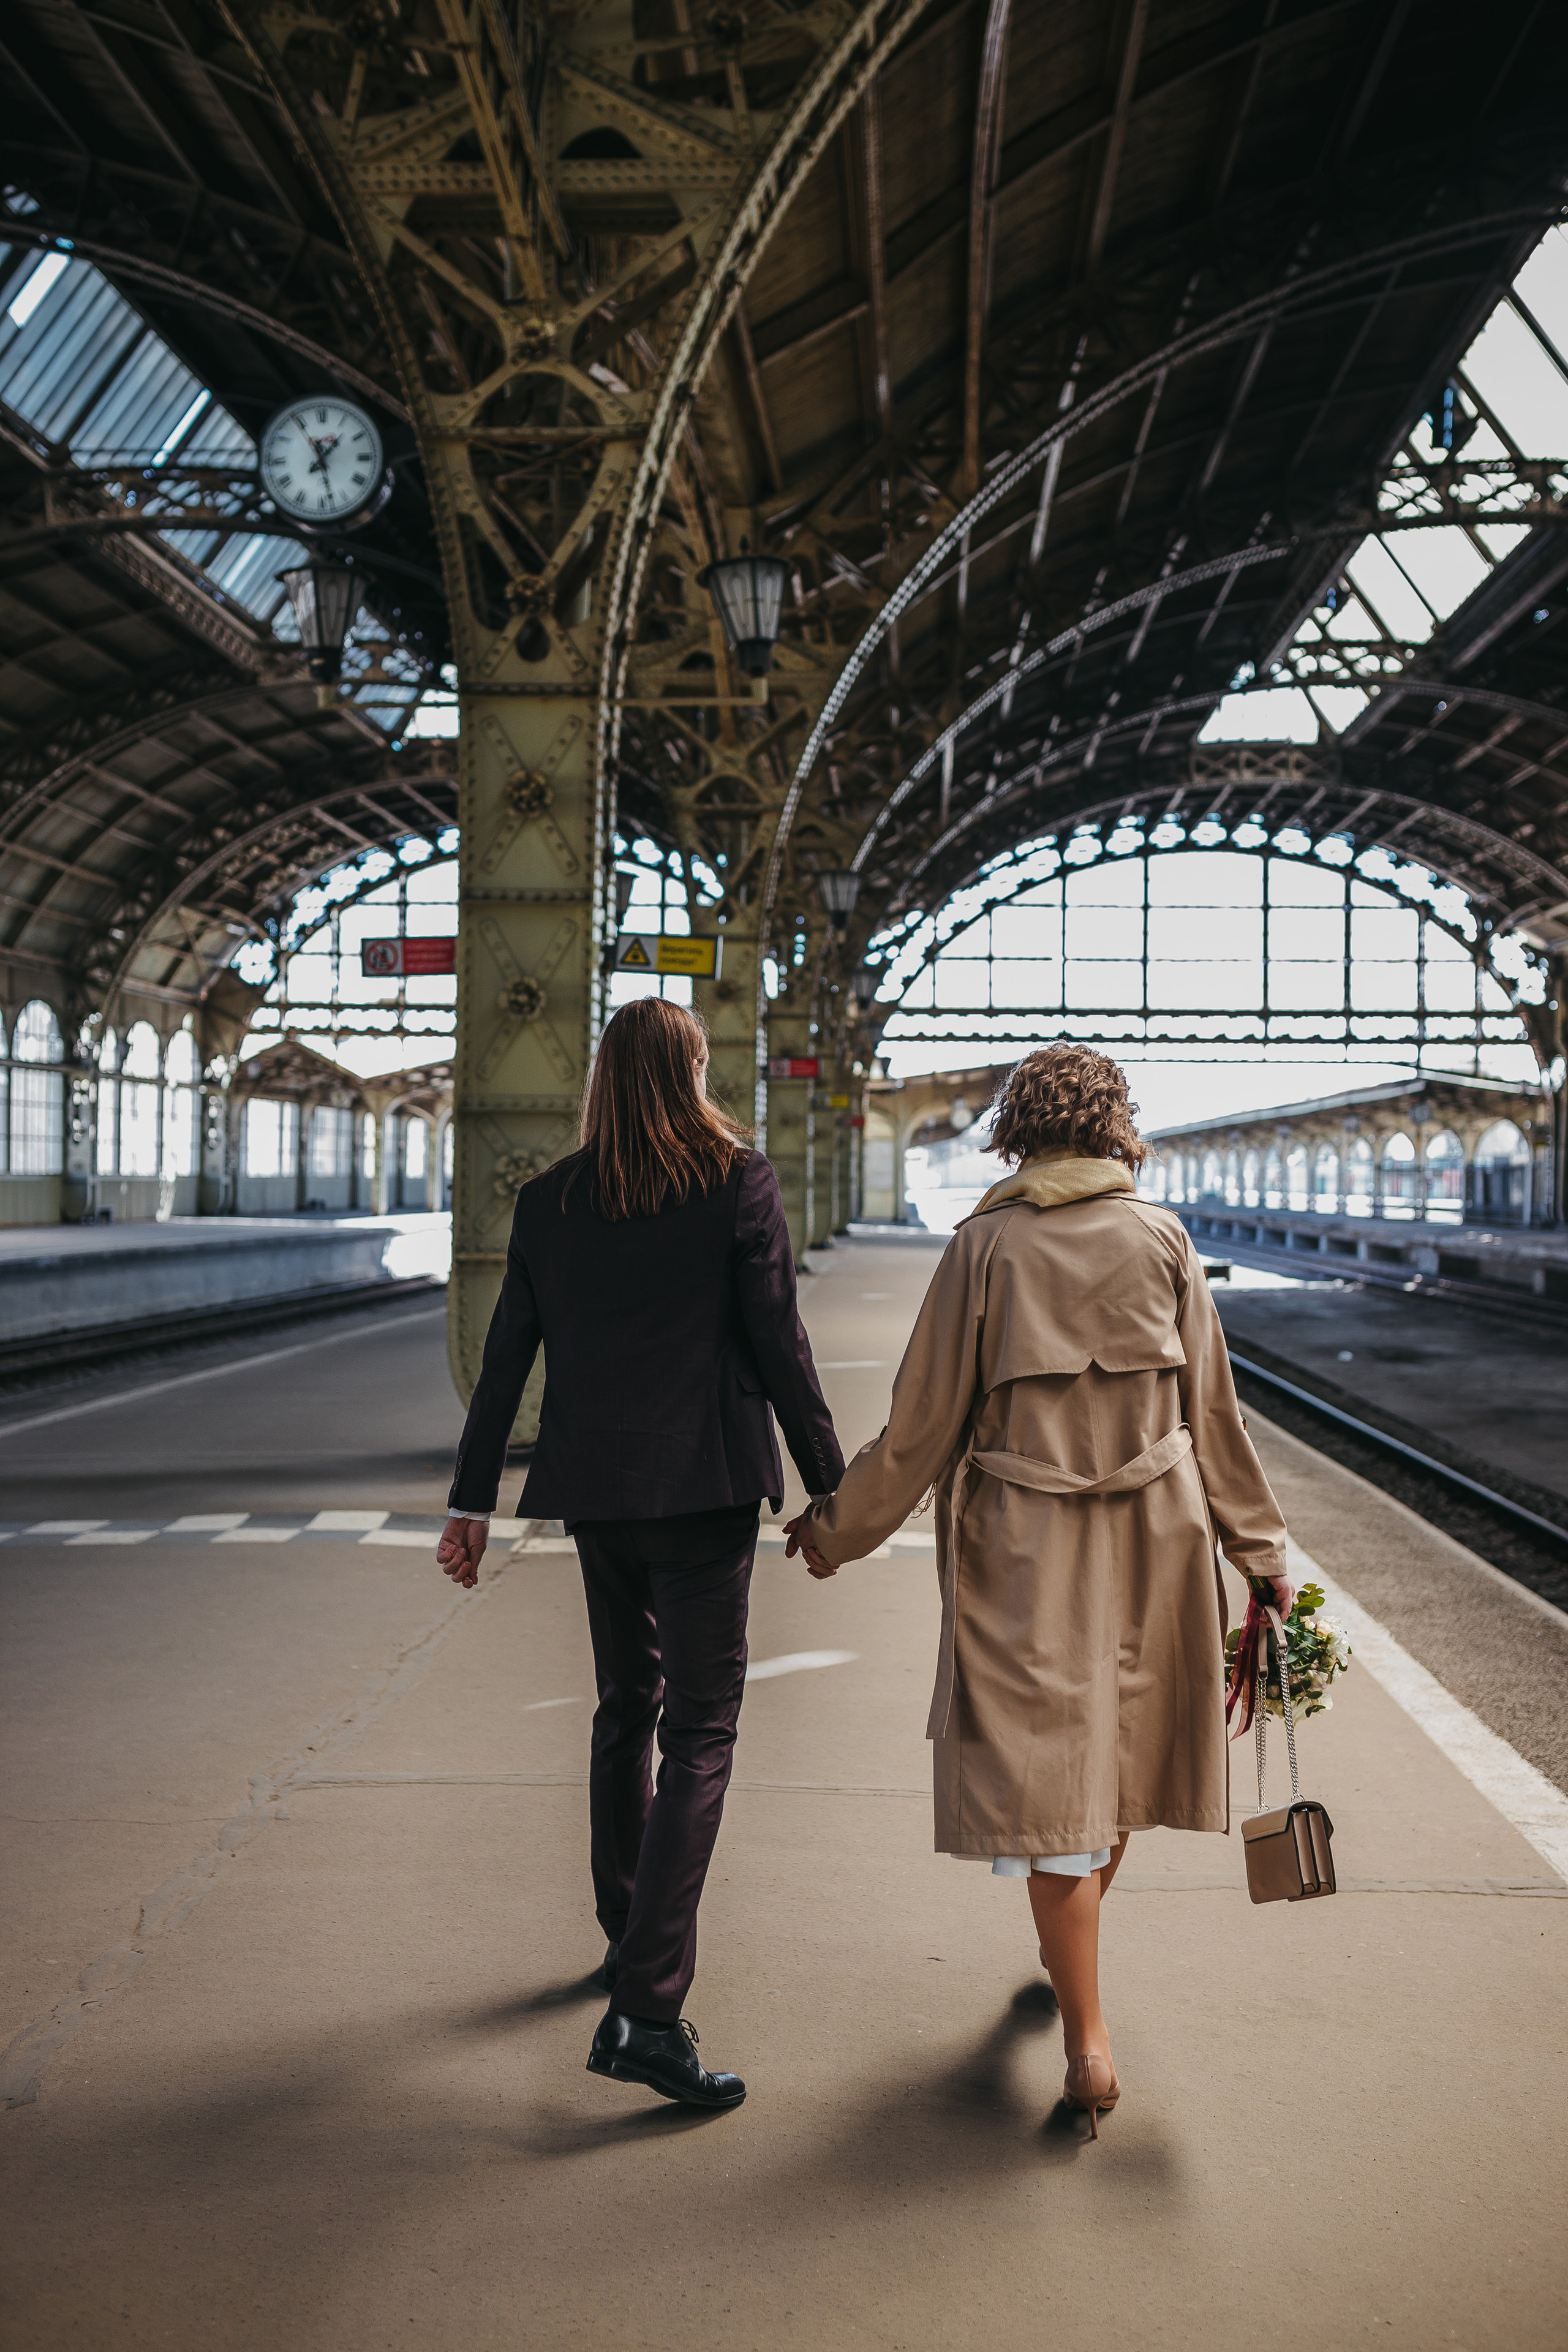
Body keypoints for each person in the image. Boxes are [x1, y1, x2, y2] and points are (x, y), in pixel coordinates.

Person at [785, 1043, 1291, 2138]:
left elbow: (919, 1426)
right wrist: (1263, 1555)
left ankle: (1088, 2043)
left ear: (1018, 1128)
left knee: (1054, 1780)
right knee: (1113, 1764)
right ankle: (1076, 1969)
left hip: (1027, 1546)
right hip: (1159, 1539)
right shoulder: (1163, 1240)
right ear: (1114, 1124)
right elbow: (1215, 1416)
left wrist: (837, 1530)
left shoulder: (985, 1247)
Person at [437, 998, 843, 2112]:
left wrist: (472, 1504)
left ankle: (627, 1932)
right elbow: (780, 1343)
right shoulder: (738, 1180)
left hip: (598, 1497)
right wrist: (834, 1489)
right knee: (702, 1729)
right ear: (694, 1069)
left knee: (628, 1705)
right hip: (705, 1491)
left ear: (603, 1079)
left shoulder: (552, 1198)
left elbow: (505, 1359)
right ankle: (650, 2012)